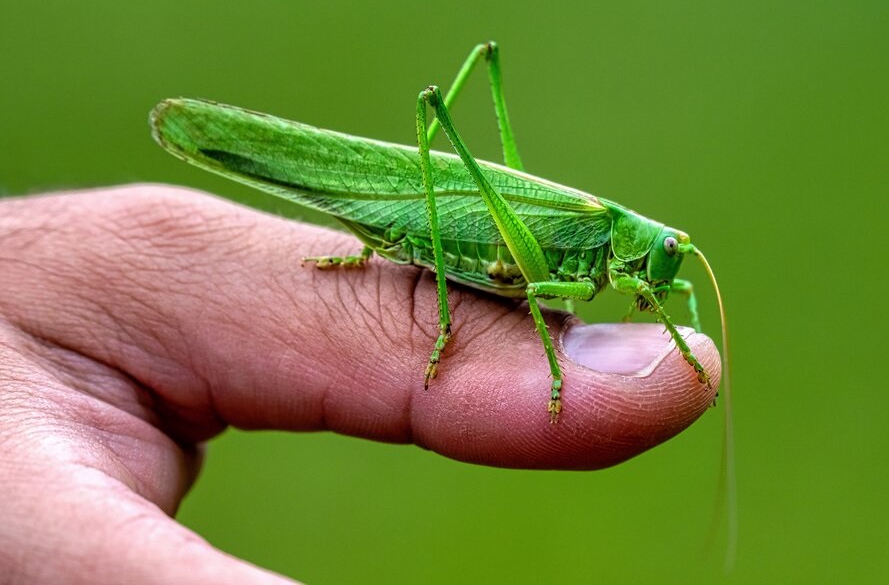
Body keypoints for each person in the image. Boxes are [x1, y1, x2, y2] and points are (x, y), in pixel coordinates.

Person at [0, 185, 720, 583]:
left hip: (495, 242)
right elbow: (536, 293)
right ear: (637, 239)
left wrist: (683, 337)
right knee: (527, 283)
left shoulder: (625, 253)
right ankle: (440, 322)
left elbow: (657, 296)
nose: (662, 266)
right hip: (468, 235)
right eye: (661, 253)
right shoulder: (598, 226)